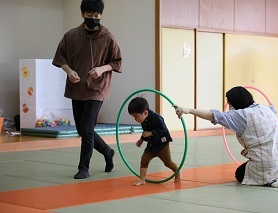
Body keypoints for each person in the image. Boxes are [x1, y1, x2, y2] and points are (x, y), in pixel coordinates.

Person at [52, 0, 122, 179]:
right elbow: (61, 59)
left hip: (97, 89)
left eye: (97, 16)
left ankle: (83, 167)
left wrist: (101, 69)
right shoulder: (71, 35)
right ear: (82, 14)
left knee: (87, 128)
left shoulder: (108, 37)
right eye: (89, 16)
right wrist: (69, 71)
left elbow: (116, 62)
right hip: (77, 87)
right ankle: (107, 151)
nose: (93, 19)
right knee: (82, 130)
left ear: (101, 15)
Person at [175, 86, 278, 187]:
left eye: (229, 103)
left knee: (239, 174)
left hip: (266, 164)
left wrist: (189, 110)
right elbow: (273, 108)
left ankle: (269, 178)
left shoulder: (241, 115)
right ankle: (276, 177)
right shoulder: (267, 109)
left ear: (235, 102)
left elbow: (214, 115)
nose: (229, 105)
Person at [128, 97, 181, 186]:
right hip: (152, 145)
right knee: (144, 160)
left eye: (136, 116)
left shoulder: (157, 118)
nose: (135, 119)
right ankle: (142, 179)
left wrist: (151, 133)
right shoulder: (143, 120)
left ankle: (177, 174)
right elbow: (145, 132)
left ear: (145, 113)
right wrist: (142, 139)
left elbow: (163, 130)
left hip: (162, 145)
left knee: (168, 163)